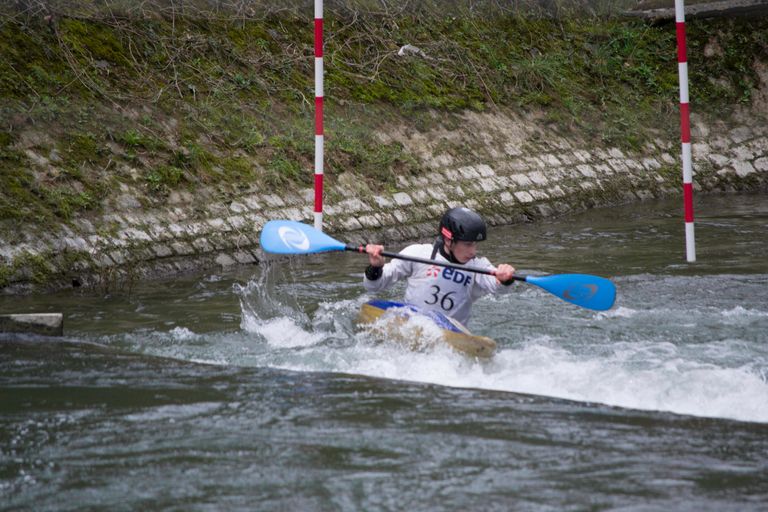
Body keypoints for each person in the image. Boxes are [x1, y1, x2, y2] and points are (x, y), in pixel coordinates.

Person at [364, 207, 516, 325]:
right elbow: (374, 286)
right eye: (467, 244)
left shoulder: (478, 266)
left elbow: (499, 289)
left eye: (475, 244)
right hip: (413, 324)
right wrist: (375, 268)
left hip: (451, 334)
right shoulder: (418, 253)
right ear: (449, 240)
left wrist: (504, 279)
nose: (473, 251)